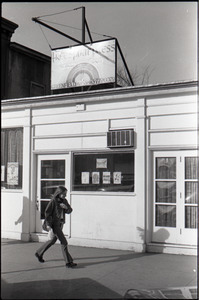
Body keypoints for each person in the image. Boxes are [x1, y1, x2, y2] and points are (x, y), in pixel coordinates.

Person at [35, 186, 77, 268]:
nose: (65, 195)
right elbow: (47, 213)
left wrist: (66, 207)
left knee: (52, 241)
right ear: (59, 193)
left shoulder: (64, 201)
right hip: (55, 224)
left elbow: (70, 210)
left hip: (61, 223)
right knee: (64, 242)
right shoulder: (53, 201)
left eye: (66, 194)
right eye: (63, 194)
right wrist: (49, 225)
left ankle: (39, 253)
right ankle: (68, 262)